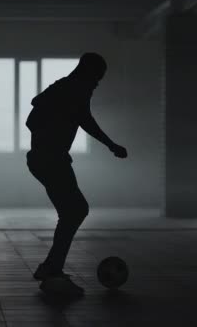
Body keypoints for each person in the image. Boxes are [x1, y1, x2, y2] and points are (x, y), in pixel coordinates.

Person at [26, 52, 127, 297]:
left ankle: (51, 266)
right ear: (87, 73)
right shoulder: (73, 90)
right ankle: (52, 269)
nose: (97, 84)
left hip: (47, 159)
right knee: (75, 210)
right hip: (51, 160)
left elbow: (34, 117)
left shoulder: (63, 88)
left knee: (73, 211)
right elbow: (85, 121)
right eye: (96, 78)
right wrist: (111, 145)